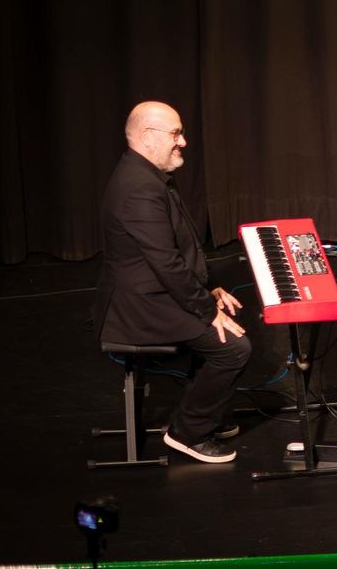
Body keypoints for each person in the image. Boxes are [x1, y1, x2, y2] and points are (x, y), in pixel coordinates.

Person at [92, 101, 251, 463]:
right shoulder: (139, 187)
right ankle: (187, 432)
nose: (184, 141)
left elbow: (174, 254)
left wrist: (208, 294)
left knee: (225, 329)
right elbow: (166, 262)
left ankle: (204, 413)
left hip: (154, 292)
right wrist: (205, 309)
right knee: (234, 348)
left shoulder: (145, 175)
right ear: (148, 137)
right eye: (176, 133)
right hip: (139, 305)